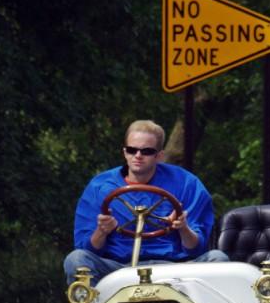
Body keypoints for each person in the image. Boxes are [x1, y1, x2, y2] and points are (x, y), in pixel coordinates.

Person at [64, 119, 228, 285]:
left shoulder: (187, 183)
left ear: (159, 156)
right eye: (132, 150)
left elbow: (197, 248)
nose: (138, 156)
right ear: (124, 152)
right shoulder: (99, 186)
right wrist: (101, 231)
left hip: (175, 267)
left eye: (147, 151)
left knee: (218, 258)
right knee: (76, 259)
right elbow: (87, 248)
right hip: (118, 268)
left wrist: (183, 228)